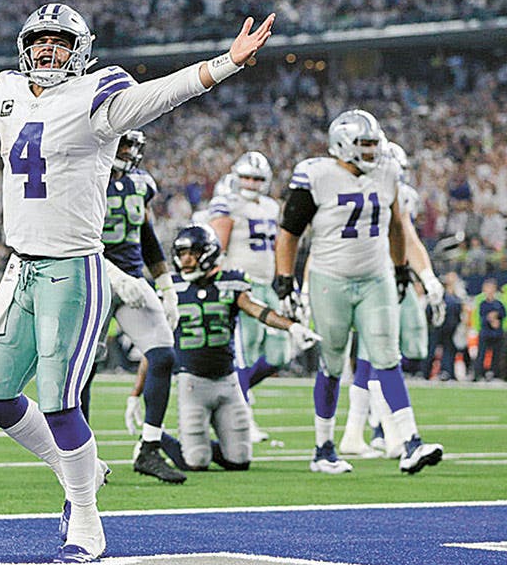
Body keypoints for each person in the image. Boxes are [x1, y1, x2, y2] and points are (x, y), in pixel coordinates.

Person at [0, 2, 273, 562]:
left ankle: (86, 521)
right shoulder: (8, 92)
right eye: (40, 41)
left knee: (59, 403)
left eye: (60, 42)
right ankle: (77, 468)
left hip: (73, 269)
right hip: (20, 267)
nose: (48, 50)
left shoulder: (97, 96)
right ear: (25, 47)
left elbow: (163, 94)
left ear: (80, 50)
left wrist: (227, 62)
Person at [273, 109, 443, 475]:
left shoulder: (387, 171)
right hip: (329, 278)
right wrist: (285, 279)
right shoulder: (316, 175)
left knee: (387, 355)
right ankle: (323, 448)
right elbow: (289, 234)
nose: (372, 151)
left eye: (374, 144)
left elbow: (397, 226)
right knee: (333, 362)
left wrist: (400, 268)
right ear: (342, 144)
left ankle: (411, 442)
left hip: (375, 277)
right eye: (364, 144)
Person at [160, 224, 318, 471]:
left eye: (193, 253)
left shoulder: (231, 282)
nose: (186, 259)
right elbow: (155, 340)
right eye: (182, 254)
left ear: (208, 253)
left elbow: (257, 310)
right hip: (192, 382)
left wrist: (292, 327)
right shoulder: (173, 288)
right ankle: (157, 440)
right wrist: (139, 391)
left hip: (227, 381)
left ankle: (200, 444)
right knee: (196, 461)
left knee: (240, 460)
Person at [84, 129, 184, 484]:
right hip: (87, 280)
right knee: (82, 370)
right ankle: (80, 457)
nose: (128, 151)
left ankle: (149, 448)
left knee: (163, 354)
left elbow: (146, 235)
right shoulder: (83, 174)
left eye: (132, 145)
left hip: (132, 282)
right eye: (123, 143)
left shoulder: (141, 182)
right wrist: (114, 276)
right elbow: (74, 238)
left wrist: (166, 284)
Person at [338, 140, 445, 458]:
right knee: (381, 355)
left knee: (389, 353)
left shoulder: (387, 190)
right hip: (375, 279)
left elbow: (406, 237)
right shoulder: (369, 189)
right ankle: (386, 432)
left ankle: (365, 432)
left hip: (384, 277)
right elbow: (404, 237)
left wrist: (426, 277)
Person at [207, 151, 289, 443]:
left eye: (257, 179)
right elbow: (216, 245)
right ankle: (243, 415)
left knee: (281, 353)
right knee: (244, 352)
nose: (251, 184)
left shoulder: (271, 206)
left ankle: (233, 392)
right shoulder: (227, 202)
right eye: (246, 178)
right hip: (241, 285)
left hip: (267, 284)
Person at [474, 278, 507, 380]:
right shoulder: (481, 302)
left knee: (497, 354)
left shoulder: (499, 303)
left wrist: (496, 317)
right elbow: (481, 316)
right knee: (481, 354)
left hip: (497, 333)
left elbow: (504, 314)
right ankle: (479, 374)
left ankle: (495, 373)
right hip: (485, 333)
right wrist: (490, 319)